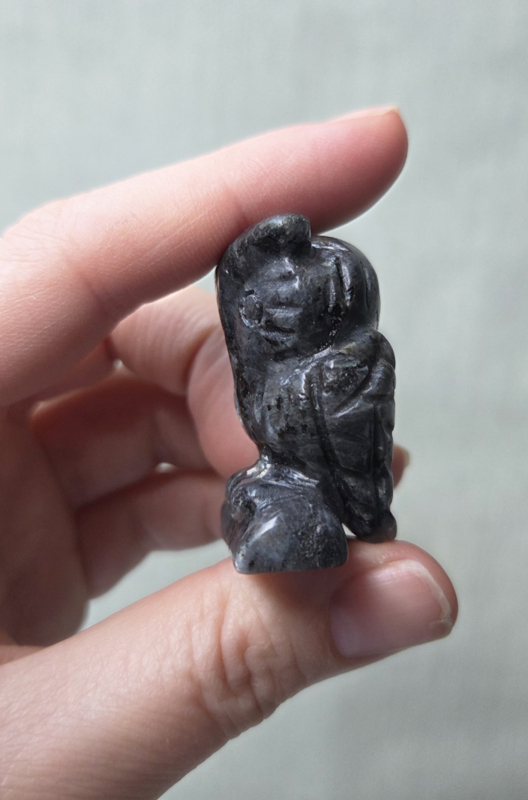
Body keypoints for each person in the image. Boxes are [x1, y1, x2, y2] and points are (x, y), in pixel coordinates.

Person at [0, 107, 457, 798]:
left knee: (297, 514)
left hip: (332, 485)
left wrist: (359, 508)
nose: (272, 315)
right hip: (283, 474)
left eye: (296, 304)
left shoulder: (337, 368)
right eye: (261, 305)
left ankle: (296, 503)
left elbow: (352, 457)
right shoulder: (258, 367)